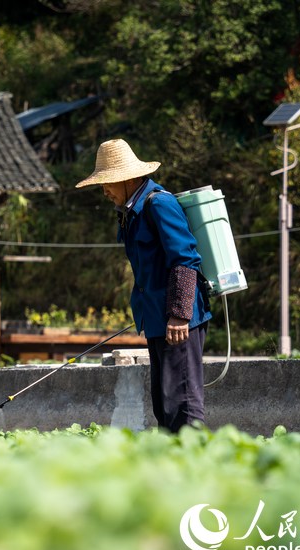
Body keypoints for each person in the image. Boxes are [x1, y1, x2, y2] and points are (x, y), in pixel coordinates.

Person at [76, 139, 211, 432]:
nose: (104, 190)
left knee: (183, 404)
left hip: (178, 321)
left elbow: (185, 259)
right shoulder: (131, 211)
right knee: (164, 404)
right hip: (157, 318)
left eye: (108, 182)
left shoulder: (159, 204)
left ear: (128, 178)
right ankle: (172, 456)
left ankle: (195, 456)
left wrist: (179, 314)